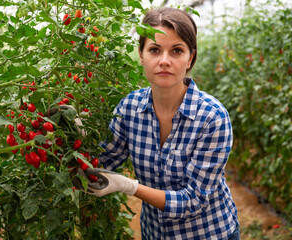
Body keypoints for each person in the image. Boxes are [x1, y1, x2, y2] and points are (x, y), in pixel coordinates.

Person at [79, 7, 239, 240]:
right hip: (155, 233)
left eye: (176, 50)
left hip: (209, 233)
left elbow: (194, 200)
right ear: (142, 55)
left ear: (190, 58)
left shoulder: (212, 117)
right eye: (155, 50)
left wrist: (130, 187)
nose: (165, 61)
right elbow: (103, 160)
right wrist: (79, 134)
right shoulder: (130, 108)